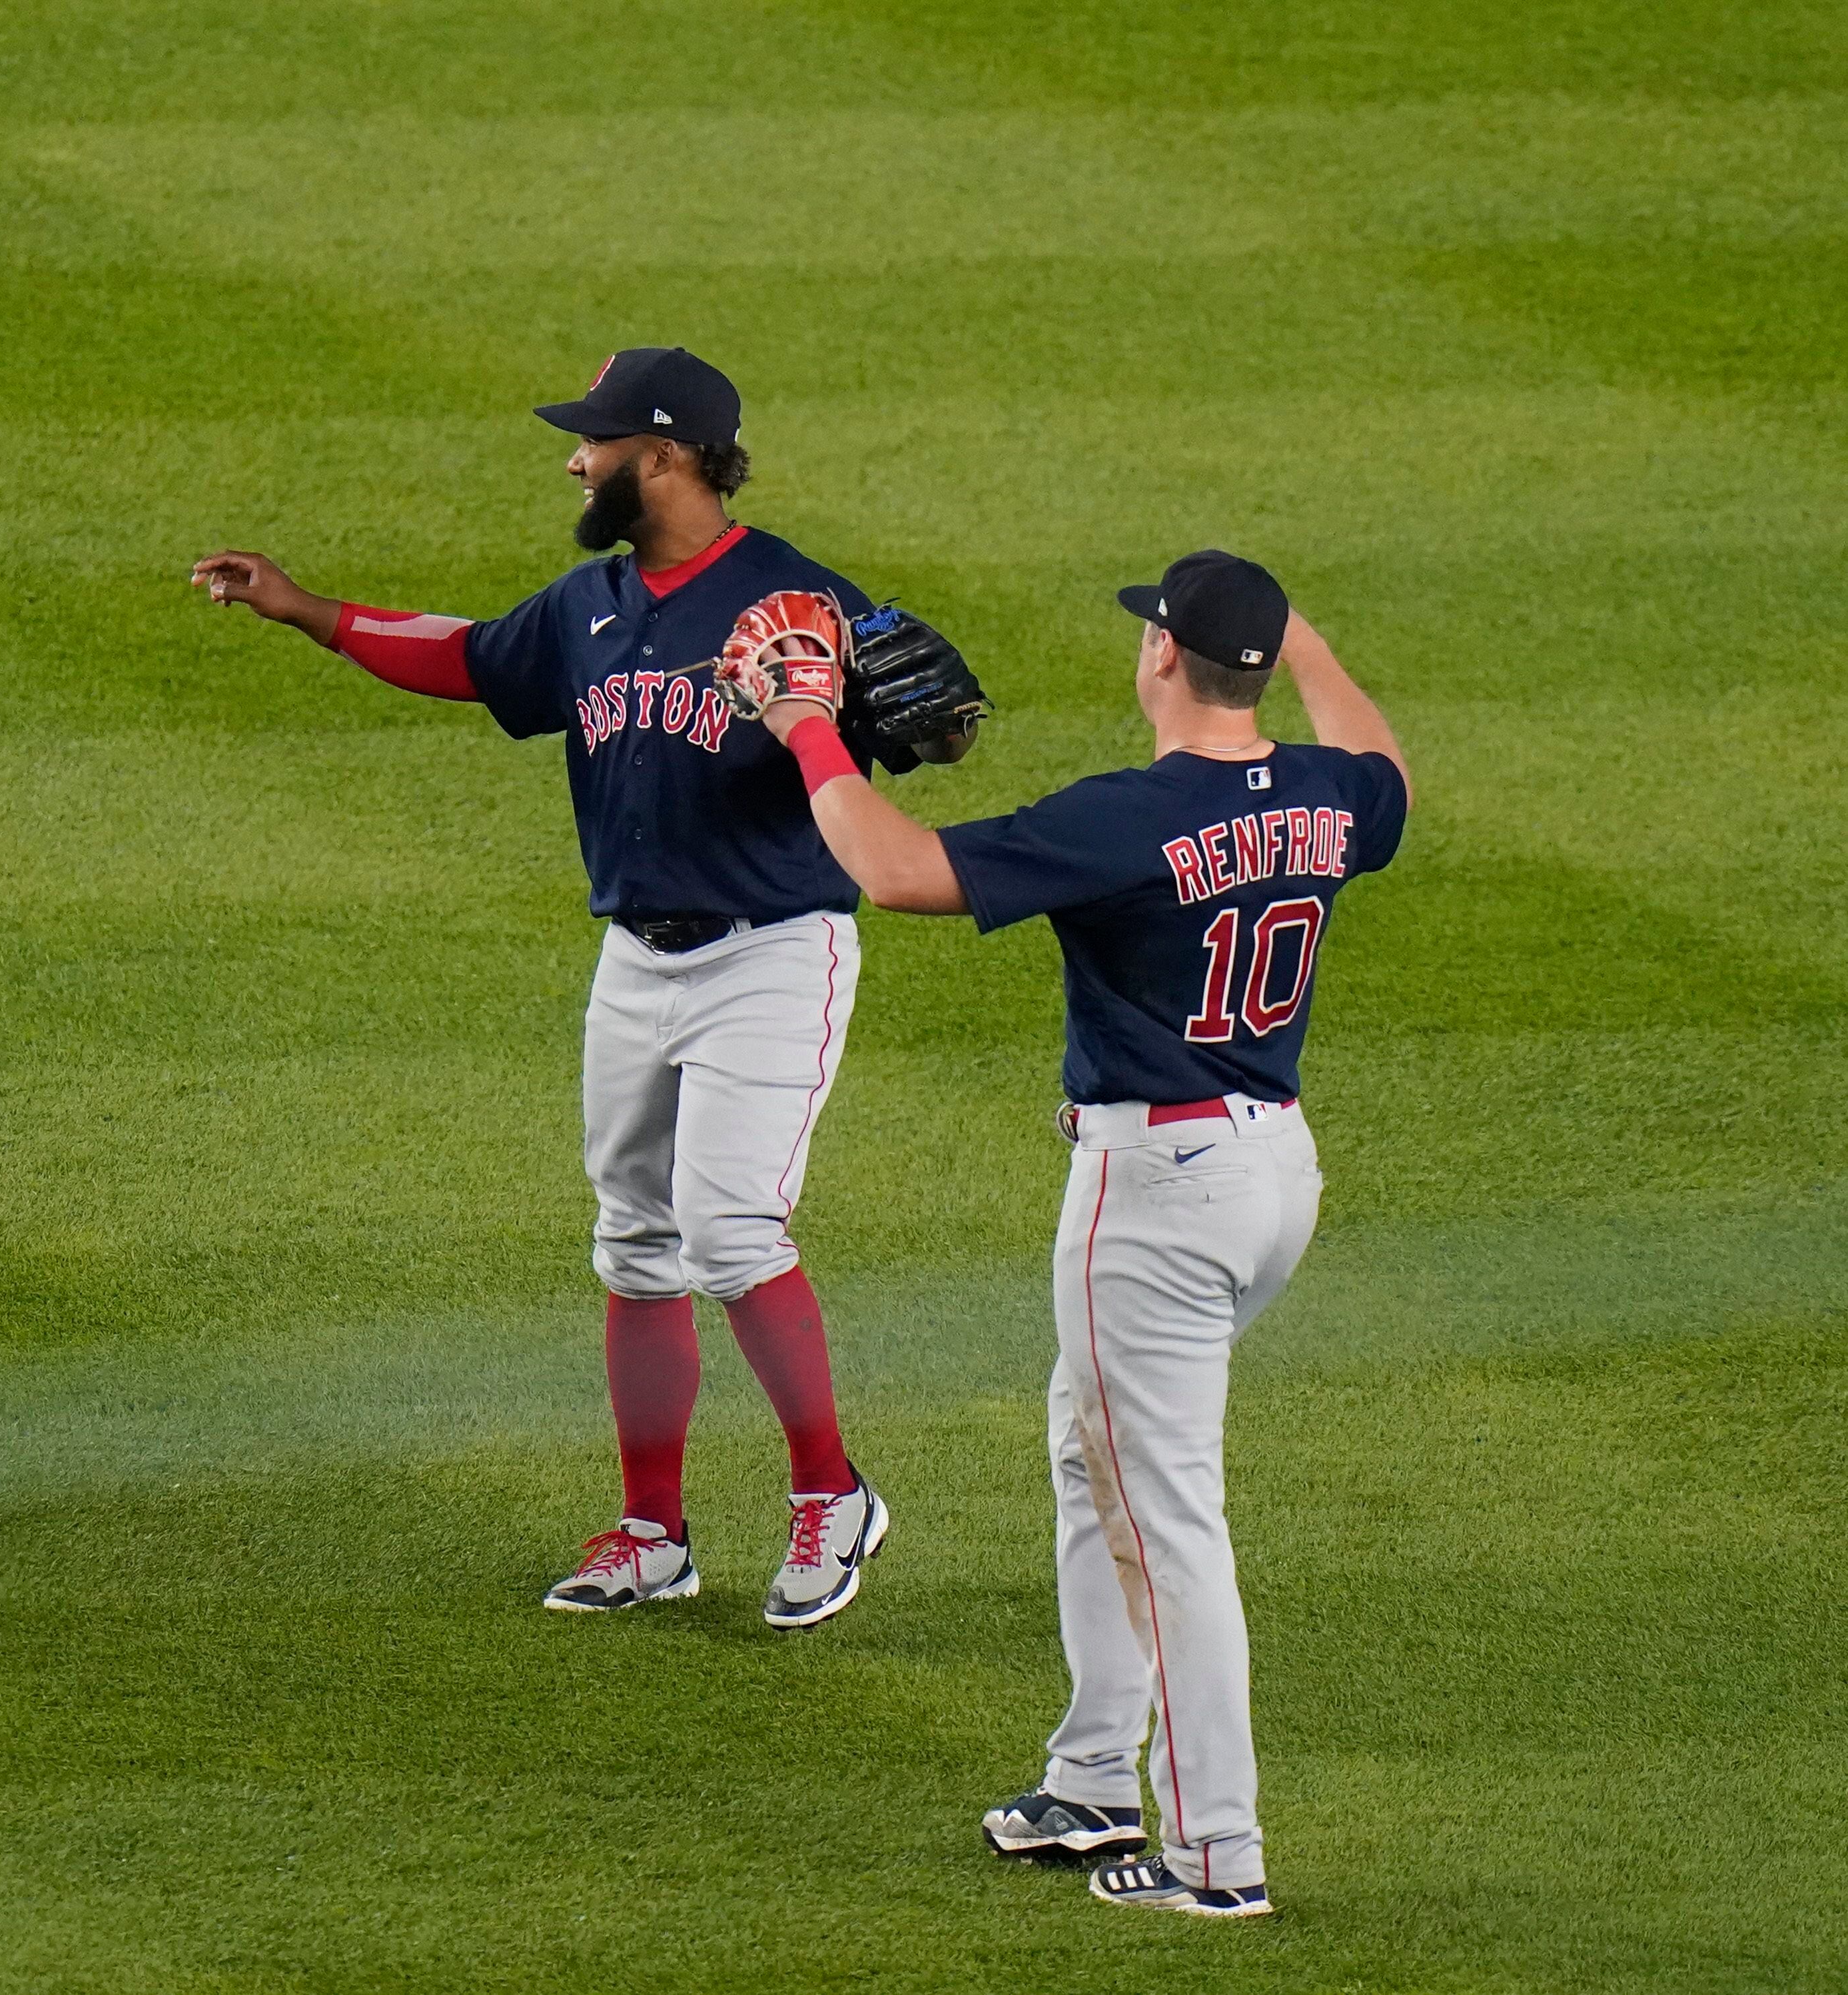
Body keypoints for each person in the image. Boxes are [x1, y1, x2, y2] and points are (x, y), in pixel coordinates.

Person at [192, 348, 976, 1629]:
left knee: (730, 1232)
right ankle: (652, 1532)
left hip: (774, 950)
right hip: (635, 960)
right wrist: (307, 610)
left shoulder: (795, 597)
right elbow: (470, 659)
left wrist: (914, 720)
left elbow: (934, 725)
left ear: (663, 456)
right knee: (635, 1243)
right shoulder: (591, 604)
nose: (574, 457)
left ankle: (831, 1494)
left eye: (595, 441)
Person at [737, 548, 1410, 1914]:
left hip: (1155, 1203)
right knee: (1088, 1448)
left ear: (1160, 656)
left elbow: (900, 869)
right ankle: (1094, 1775)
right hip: (1270, 1168)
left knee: (1167, 1517)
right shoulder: (1331, 801)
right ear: (1257, 665)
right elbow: (1377, 755)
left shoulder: (1128, 817)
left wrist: (803, 719)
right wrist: (1302, 644)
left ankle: (1216, 1856)